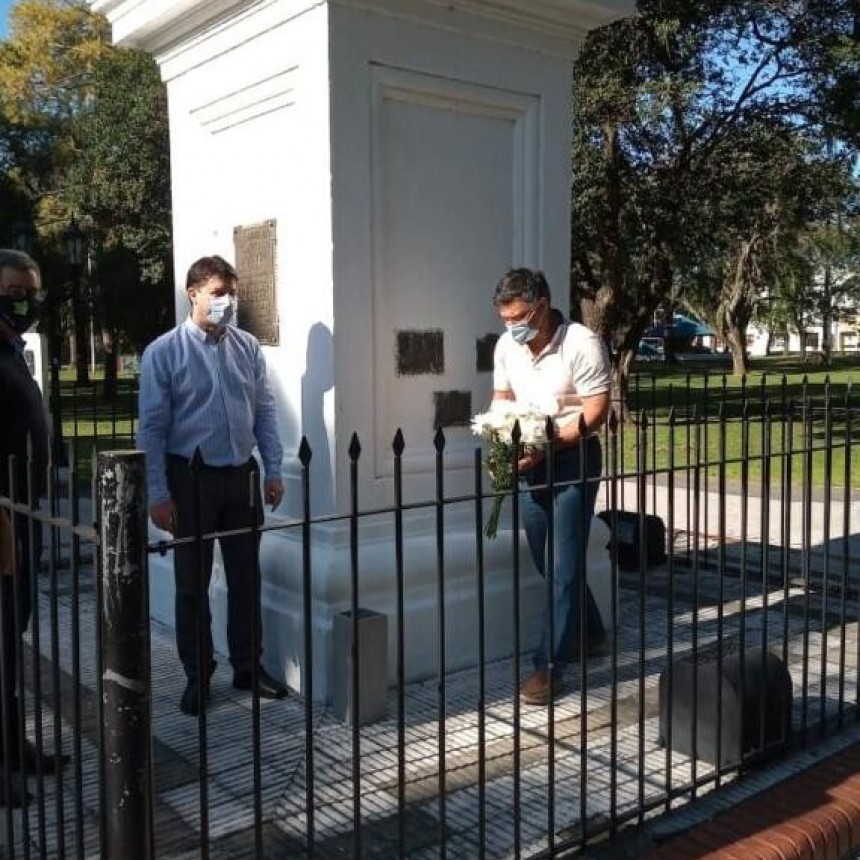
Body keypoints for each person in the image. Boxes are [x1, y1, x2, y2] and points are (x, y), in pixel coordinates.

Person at [137, 255, 288, 715]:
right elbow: (153, 428)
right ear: (193, 294)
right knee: (191, 584)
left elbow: (263, 409)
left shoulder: (246, 347)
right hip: (190, 478)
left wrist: (275, 468)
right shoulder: (164, 352)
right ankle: (198, 675)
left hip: (241, 475)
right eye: (218, 293)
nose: (227, 301)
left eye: (232, 293)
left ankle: (247, 666)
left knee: (247, 578)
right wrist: (159, 493)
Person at [491, 268, 612, 706]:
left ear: (542, 305)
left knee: (561, 566)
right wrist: (502, 436)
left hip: (572, 457)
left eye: (519, 316)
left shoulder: (581, 343)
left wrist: (548, 443)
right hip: (530, 461)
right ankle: (593, 633)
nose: (512, 326)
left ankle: (549, 666)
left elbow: (597, 411)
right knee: (549, 560)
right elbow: (502, 398)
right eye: (505, 318)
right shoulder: (508, 346)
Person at [0, 249, 69, 806]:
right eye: (17, 291)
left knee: (8, 640)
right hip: (0, 519)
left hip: (22, 517)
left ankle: (12, 747)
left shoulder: (11, 350)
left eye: (33, 292)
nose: (27, 301)